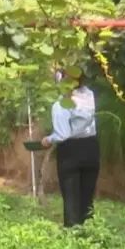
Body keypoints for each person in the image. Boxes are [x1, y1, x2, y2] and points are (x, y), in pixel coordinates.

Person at [41, 69, 99, 227]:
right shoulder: (89, 95)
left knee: (71, 197)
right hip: (91, 148)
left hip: (70, 150)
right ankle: (89, 232)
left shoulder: (61, 104)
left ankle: (73, 234)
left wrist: (48, 139)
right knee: (87, 196)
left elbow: (62, 134)